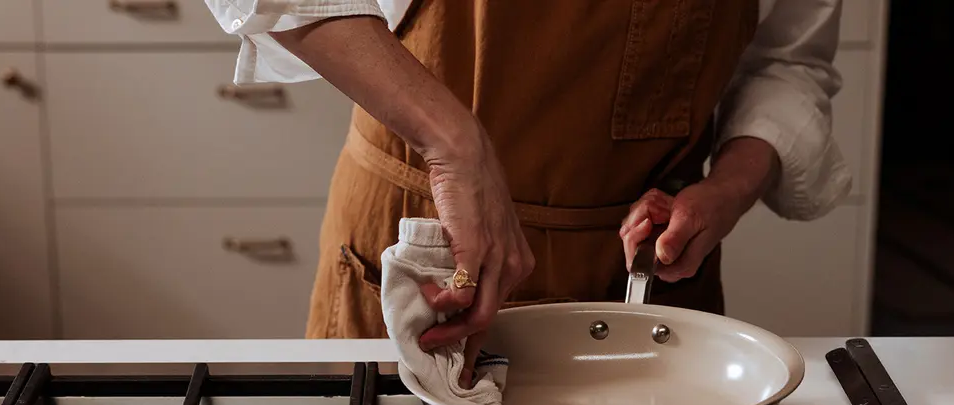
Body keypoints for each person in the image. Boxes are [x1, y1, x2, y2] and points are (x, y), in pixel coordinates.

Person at [206, 0, 851, 380]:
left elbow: (789, 59)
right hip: (420, 241)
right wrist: (452, 143)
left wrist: (728, 189)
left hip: (647, 278)